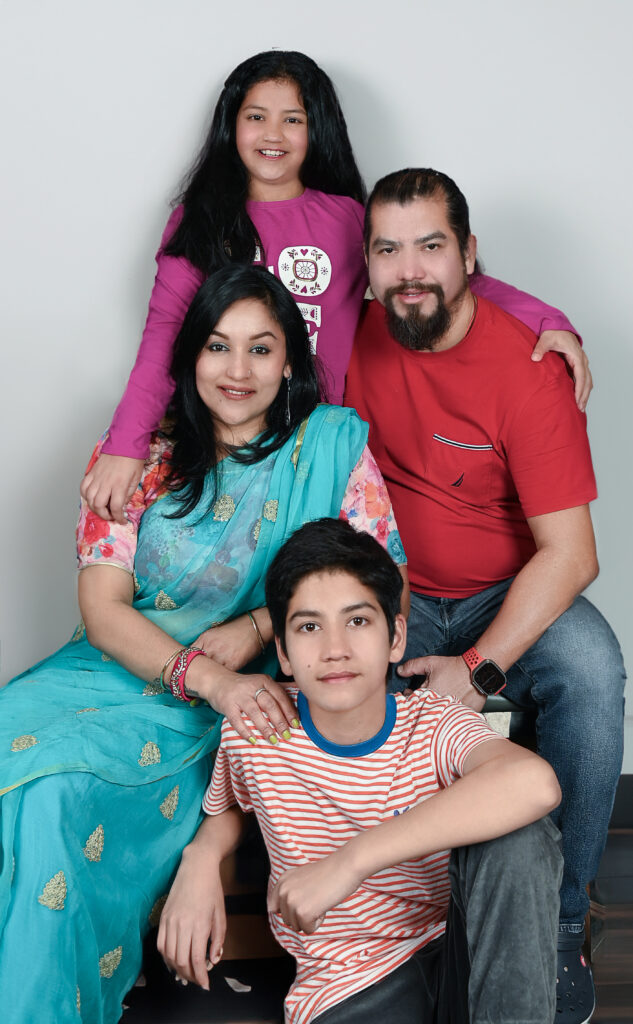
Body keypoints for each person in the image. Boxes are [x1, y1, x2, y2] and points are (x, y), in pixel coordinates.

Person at [0, 266, 408, 1024]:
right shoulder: (135, 456)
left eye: (261, 348)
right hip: (111, 671)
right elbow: (102, 611)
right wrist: (207, 676)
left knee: (53, 794)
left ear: (289, 361)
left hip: (223, 708)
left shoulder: (330, 448)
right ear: (190, 355)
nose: (237, 370)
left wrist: (255, 629)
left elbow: (378, 584)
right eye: (218, 346)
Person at [80, 49, 589, 525]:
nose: (273, 134)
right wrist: (125, 445)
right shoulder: (198, 222)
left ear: (316, 129)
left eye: (293, 119)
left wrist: (551, 321)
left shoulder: (345, 220)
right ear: (231, 125)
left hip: (314, 451)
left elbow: (437, 280)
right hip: (217, 442)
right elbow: (163, 338)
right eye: (255, 116)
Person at [344, 168, 627, 1024]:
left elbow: (571, 556)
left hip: (501, 592)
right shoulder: (352, 332)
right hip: (391, 586)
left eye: (430, 246)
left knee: (591, 669)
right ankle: (379, 927)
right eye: (388, 250)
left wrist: (476, 670)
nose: (409, 271)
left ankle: (560, 926)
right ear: (365, 262)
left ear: (469, 254)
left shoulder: (527, 367)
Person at [159, 518, 563, 1024]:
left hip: (462, 957)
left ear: (396, 638)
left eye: (357, 621)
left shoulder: (434, 723)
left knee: (520, 837)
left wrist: (349, 863)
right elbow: (233, 805)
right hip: (348, 984)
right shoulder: (259, 728)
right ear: (283, 653)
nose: (335, 649)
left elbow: (534, 783)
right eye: (309, 627)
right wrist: (199, 859)